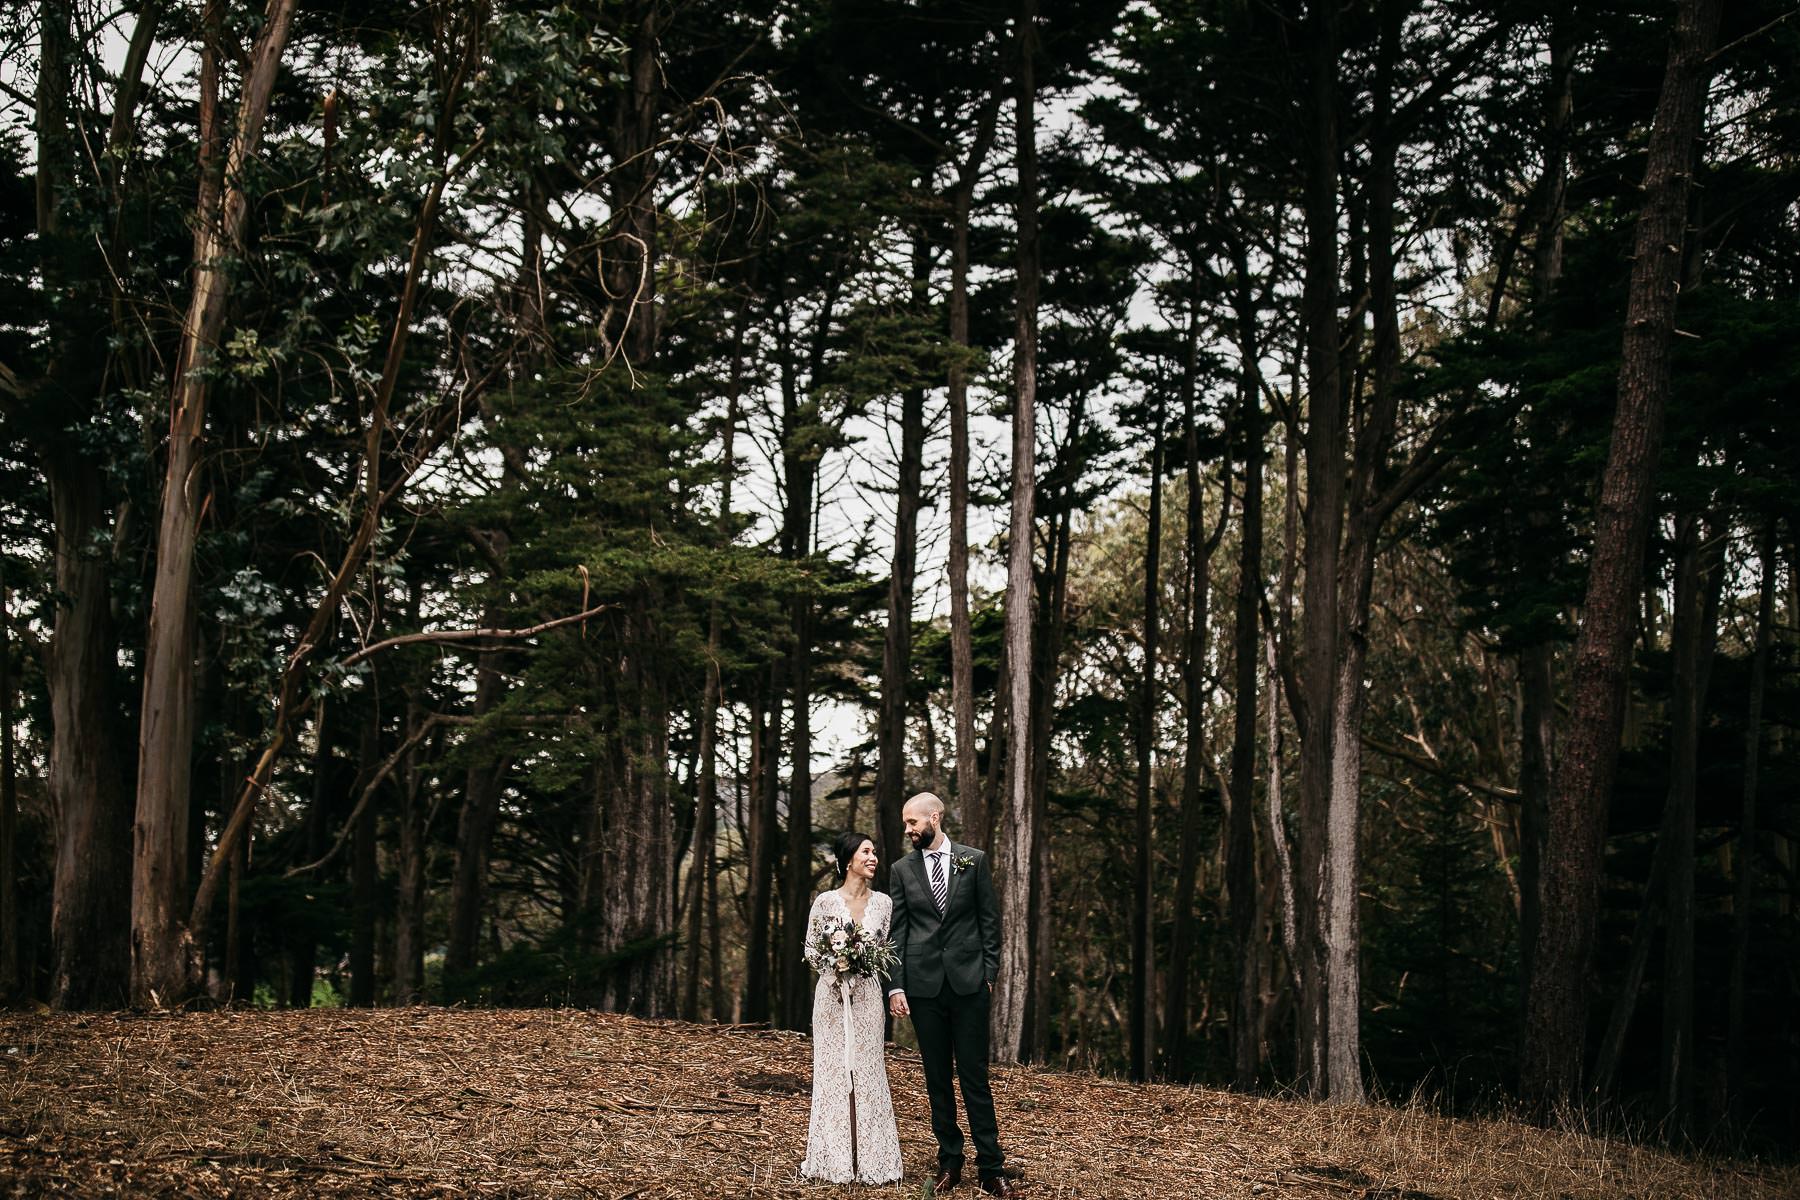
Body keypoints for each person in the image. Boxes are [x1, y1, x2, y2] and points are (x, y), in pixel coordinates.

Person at [887, 793, 1013, 1196]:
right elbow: (898, 932)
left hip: (969, 986)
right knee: (937, 1079)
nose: (908, 830)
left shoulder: (973, 860)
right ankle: (950, 1162)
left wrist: (988, 974)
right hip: (924, 989)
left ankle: (991, 1168)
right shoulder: (901, 870)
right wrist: (897, 984)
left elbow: (989, 920)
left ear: (935, 818)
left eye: (912, 822)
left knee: (975, 1078)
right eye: (906, 824)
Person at [800, 831, 904, 1184]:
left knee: (868, 1073)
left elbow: (886, 951)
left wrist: (863, 965)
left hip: (868, 999)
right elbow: (811, 949)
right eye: (866, 852)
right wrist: (836, 967)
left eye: (874, 852)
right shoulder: (825, 902)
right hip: (831, 998)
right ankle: (835, 1159)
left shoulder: (884, 904)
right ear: (848, 860)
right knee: (832, 1073)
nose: (873, 858)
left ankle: (870, 1160)